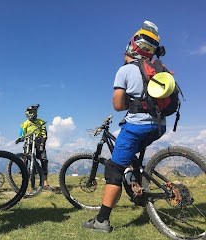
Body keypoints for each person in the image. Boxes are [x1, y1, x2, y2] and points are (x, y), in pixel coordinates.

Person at [82, 21, 167, 232]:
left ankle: (102, 220)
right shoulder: (158, 69)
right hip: (159, 125)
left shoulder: (126, 70)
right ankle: (138, 192)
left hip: (137, 126)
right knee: (131, 158)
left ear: (129, 49)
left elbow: (118, 105)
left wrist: (133, 103)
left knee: (114, 169)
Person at [15, 104, 52, 190]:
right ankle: (24, 178)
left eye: (34, 112)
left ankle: (45, 182)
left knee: (44, 159)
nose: (32, 114)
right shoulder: (24, 124)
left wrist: (42, 143)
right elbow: (22, 134)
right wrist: (20, 138)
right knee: (25, 158)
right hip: (29, 141)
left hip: (39, 141)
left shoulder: (41, 122)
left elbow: (44, 134)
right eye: (30, 112)